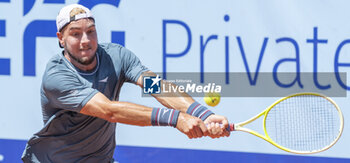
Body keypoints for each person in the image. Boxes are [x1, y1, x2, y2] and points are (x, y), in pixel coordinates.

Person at [22, 4, 229, 163]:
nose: (85, 40)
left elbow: (155, 85)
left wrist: (203, 114)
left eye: (91, 31)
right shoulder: (56, 76)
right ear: (61, 39)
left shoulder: (116, 56)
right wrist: (177, 119)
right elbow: (108, 111)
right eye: (75, 34)